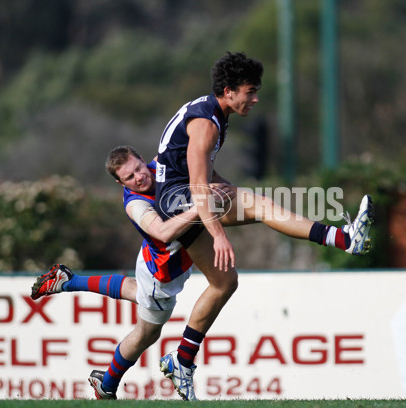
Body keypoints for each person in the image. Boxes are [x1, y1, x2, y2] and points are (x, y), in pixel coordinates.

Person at [153, 51, 375, 401]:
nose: (255, 99)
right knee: (261, 205)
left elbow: (196, 172)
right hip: (177, 203)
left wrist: (221, 181)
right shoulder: (207, 123)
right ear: (228, 91)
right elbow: (197, 188)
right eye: (250, 91)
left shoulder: (213, 113)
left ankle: (181, 361)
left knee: (225, 282)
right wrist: (220, 236)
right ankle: (344, 238)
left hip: (178, 200)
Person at [31, 145, 234, 400]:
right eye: (129, 177)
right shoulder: (135, 204)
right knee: (146, 333)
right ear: (120, 182)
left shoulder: (158, 167)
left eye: (138, 168)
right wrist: (202, 206)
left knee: (138, 292)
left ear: (142, 159)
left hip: (151, 258)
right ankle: (107, 383)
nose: (139, 177)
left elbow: (187, 150)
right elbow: (162, 232)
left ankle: (69, 281)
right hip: (162, 275)